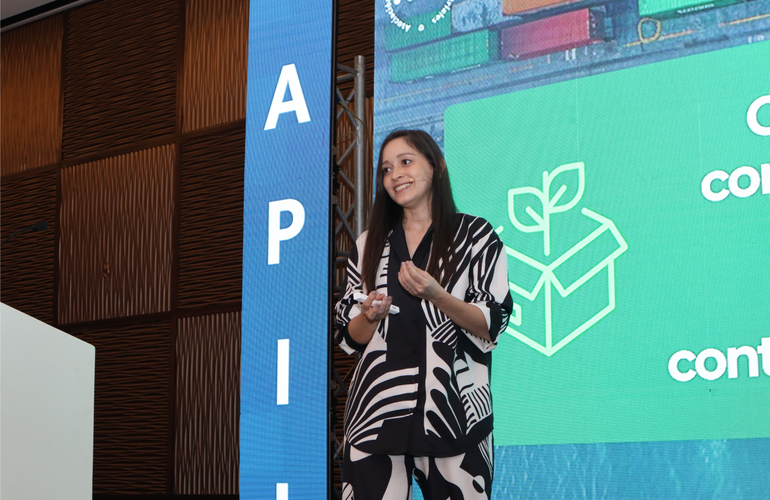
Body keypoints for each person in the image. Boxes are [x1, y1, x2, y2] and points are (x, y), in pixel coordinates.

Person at [335, 129, 513, 500]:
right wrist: (369, 316)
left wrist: (438, 296)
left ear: (437, 166)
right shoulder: (368, 245)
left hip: (455, 415)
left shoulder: (475, 235)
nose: (395, 174)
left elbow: (491, 323)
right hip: (374, 418)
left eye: (406, 161)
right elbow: (349, 337)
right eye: (386, 169)